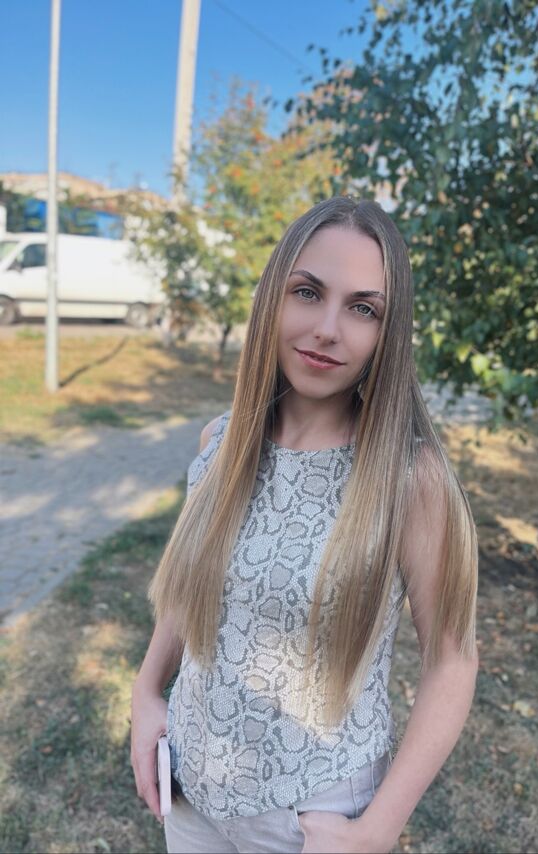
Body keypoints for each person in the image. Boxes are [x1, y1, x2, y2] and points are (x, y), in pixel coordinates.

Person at [130, 196, 479, 854]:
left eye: (363, 309)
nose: (327, 329)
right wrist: (147, 691)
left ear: (388, 332)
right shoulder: (220, 443)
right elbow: (190, 592)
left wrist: (377, 829)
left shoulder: (409, 478)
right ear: (273, 299)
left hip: (312, 812)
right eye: (308, 292)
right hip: (192, 791)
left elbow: (453, 660)